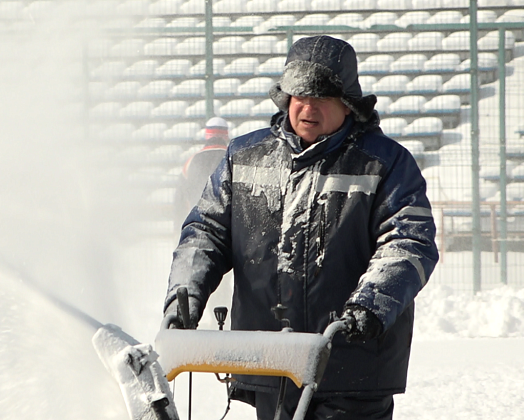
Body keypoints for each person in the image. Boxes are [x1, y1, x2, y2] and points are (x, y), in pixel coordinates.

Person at [162, 35, 438, 420]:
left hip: (351, 368)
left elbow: (408, 242)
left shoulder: (385, 164)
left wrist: (369, 305)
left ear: (348, 103)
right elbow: (205, 232)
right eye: (298, 96)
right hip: (269, 364)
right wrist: (184, 296)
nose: (307, 108)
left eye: (321, 97)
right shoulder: (243, 158)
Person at [173, 117, 230, 233]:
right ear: (226, 135)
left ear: (207, 135)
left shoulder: (191, 161)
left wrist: (178, 229)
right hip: (227, 224)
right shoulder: (232, 157)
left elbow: (180, 198)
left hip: (197, 222)